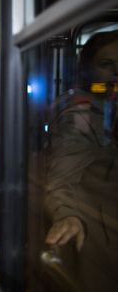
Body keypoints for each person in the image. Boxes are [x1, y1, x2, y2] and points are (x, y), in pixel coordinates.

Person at [44, 30, 118, 291]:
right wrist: (65, 215)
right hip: (100, 240)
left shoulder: (109, 100)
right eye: (106, 64)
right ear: (87, 70)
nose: (115, 72)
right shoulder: (81, 113)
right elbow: (59, 181)